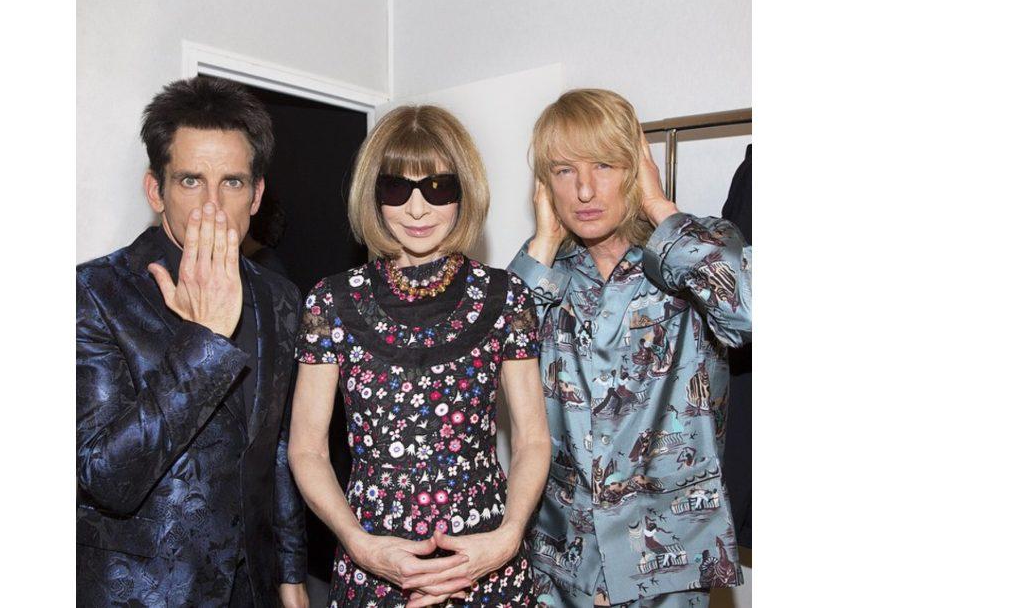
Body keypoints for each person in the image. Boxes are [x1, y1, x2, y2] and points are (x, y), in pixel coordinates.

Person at [287, 106, 551, 607]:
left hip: (485, 557)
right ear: (374, 195)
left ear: (463, 192)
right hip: (375, 562)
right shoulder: (331, 302)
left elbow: (534, 438)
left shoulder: (506, 297)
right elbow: (306, 449)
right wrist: (359, 544)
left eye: (437, 188)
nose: (416, 209)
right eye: (396, 188)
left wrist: (508, 536)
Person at [509, 89, 751, 607]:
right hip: (556, 565)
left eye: (605, 164)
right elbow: (485, 368)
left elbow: (750, 312)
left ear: (637, 169)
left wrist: (658, 207)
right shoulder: (541, 278)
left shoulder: (691, 257)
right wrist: (543, 245)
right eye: (564, 171)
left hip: (668, 569)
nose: (585, 189)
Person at [76, 76, 308, 607]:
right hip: (143, 594)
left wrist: (291, 575)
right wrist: (203, 340)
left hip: (252, 589)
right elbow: (105, 478)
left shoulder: (280, 297)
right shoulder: (94, 291)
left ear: (257, 195)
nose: (211, 205)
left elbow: (276, 449)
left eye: (231, 182)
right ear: (155, 189)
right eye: (189, 181)